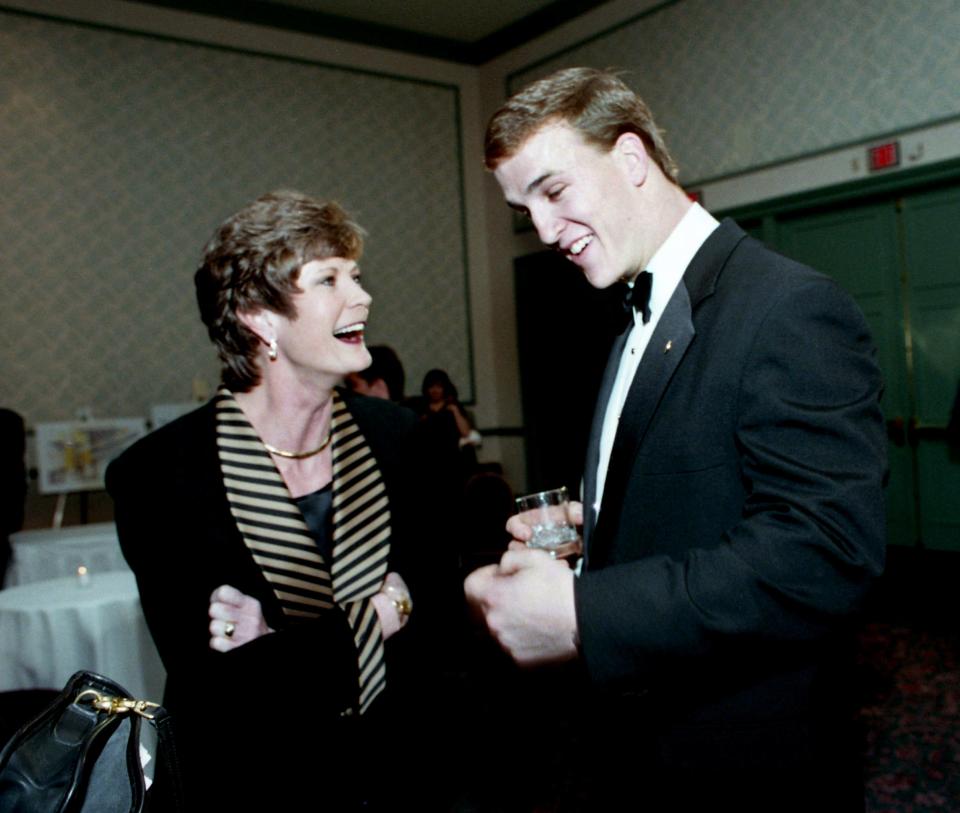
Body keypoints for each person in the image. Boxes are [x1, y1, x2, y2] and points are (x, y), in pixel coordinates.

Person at [465, 67, 887, 811]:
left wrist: (580, 613)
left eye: (554, 192)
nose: (543, 230)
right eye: (524, 209)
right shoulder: (632, 306)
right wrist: (588, 523)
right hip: (648, 742)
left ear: (631, 160)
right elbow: (704, 489)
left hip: (748, 761)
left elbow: (824, 553)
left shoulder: (788, 306)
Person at [107, 191, 437, 810]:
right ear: (259, 317)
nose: (361, 297)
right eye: (329, 280)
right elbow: (219, 690)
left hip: (402, 778)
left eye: (356, 276)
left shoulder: (400, 439)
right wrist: (387, 611)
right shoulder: (159, 476)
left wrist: (278, 640)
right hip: (253, 788)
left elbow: (441, 622)